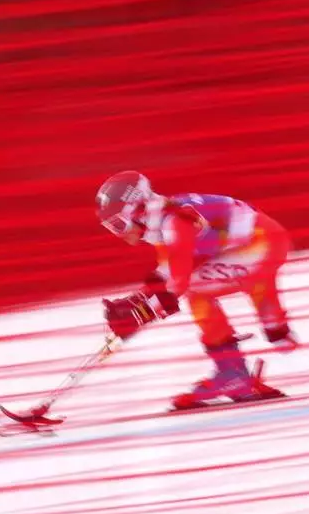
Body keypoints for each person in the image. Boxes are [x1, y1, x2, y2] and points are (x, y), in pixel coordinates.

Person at [96, 170, 298, 410]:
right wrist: (134, 303)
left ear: (139, 210)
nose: (119, 233)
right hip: (258, 241)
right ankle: (250, 353)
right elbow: (167, 272)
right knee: (195, 285)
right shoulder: (164, 217)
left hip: (262, 245)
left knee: (195, 288)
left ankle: (232, 374)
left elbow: (178, 284)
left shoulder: (174, 222)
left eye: (119, 223)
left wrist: (139, 314)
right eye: (111, 227)